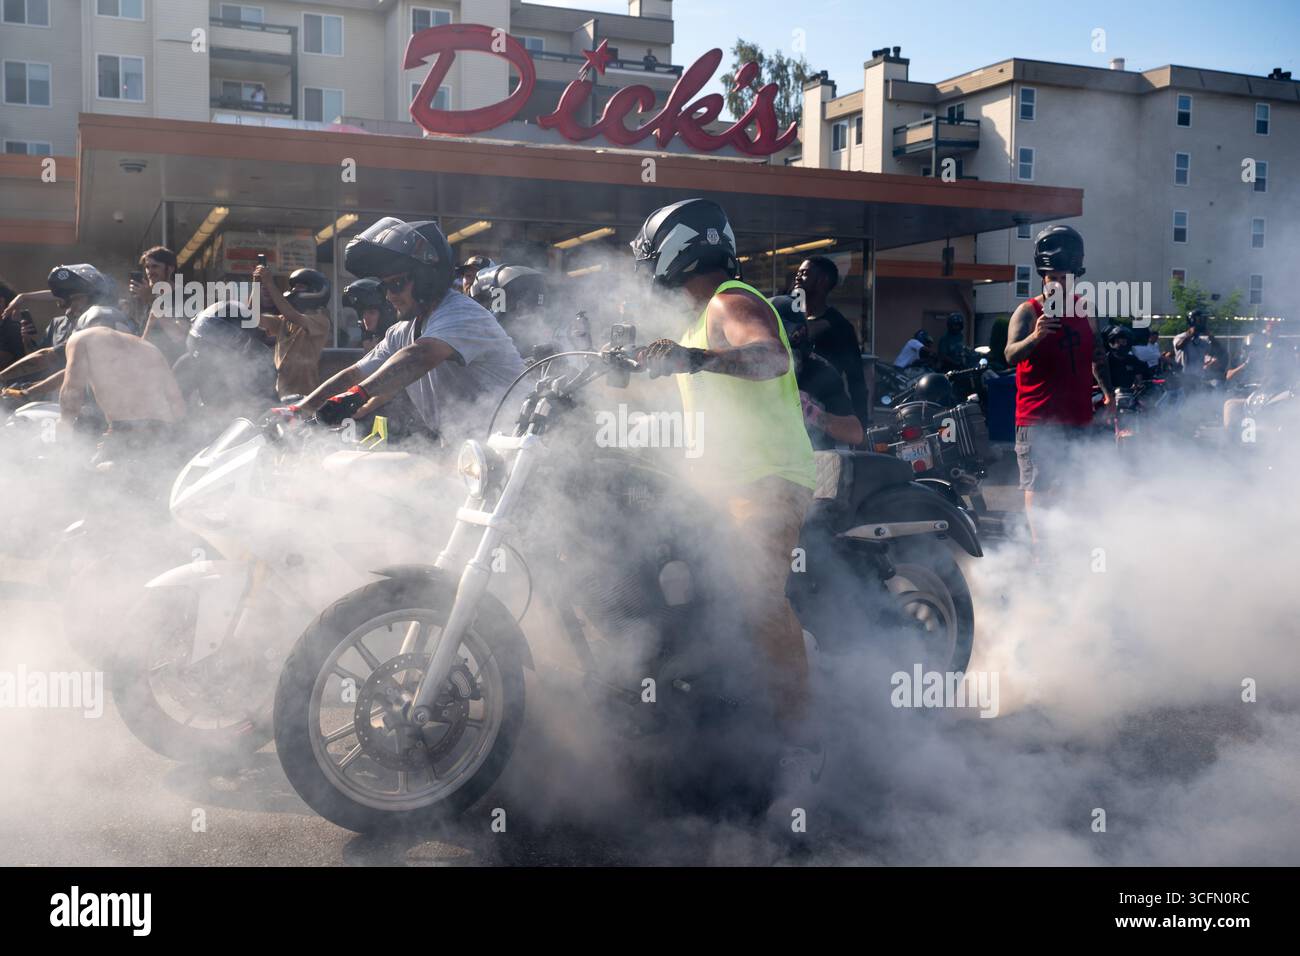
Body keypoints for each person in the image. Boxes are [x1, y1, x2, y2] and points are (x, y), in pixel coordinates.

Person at [628, 198, 821, 794]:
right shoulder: (691, 322)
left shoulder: (731, 301)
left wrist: (693, 358)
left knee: (756, 598)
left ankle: (801, 743)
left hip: (766, 480)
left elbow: (769, 356)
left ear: (678, 251)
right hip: (716, 483)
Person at [293, 218, 523, 448]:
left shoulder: (461, 313)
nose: (389, 296)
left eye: (396, 285)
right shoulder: (401, 331)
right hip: (467, 448)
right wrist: (298, 411)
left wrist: (355, 396)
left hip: (514, 443)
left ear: (425, 280)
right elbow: (354, 374)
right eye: (384, 288)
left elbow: (420, 355)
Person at [1004, 225, 1110, 552]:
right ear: (1043, 277)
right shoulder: (1027, 312)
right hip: (1038, 419)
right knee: (1041, 486)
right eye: (1055, 277)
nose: (1061, 283)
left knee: (1077, 486)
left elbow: (1097, 356)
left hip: (1078, 416)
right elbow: (1009, 355)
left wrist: (1109, 394)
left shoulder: (1086, 311)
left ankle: (1071, 549)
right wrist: (1036, 336)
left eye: (1067, 277)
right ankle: (1042, 553)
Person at [59, 326, 186, 470]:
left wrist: (64, 425)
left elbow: (72, 390)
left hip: (125, 433)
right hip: (163, 432)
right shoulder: (149, 347)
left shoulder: (81, 339)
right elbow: (177, 402)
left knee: (90, 479)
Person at [0, 264, 135, 397]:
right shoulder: (107, 315)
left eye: (74, 299)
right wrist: (28, 390)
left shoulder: (98, 317)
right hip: (105, 407)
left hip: (115, 408)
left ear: (91, 296)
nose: (68, 307)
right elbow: (71, 372)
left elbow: (45, 357)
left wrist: (2, 377)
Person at [788, 256, 871, 425]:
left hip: (822, 418)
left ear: (822, 281)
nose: (797, 278)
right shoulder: (791, 318)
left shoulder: (839, 327)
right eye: (797, 273)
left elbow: (856, 380)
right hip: (789, 413)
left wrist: (861, 426)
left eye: (804, 274)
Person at [171, 300, 279, 428]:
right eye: (207, 339)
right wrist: (197, 417)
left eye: (215, 341)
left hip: (249, 437)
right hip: (209, 439)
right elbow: (174, 409)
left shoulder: (260, 365)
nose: (207, 347)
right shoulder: (188, 364)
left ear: (242, 343)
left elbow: (271, 408)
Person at [775, 300, 863, 449]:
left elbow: (855, 433)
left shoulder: (819, 371)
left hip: (813, 463)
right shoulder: (750, 367)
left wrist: (810, 412)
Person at [249, 266, 332, 399]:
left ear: (314, 291)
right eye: (293, 287)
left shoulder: (321, 320)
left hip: (305, 397)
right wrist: (257, 285)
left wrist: (270, 283)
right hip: (281, 394)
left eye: (299, 286)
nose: (293, 291)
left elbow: (293, 315)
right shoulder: (284, 321)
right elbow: (253, 317)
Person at [468, 264, 553, 359]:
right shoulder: (486, 280)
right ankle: (545, 350)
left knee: (498, 325)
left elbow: (492, 321)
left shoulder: (476, 292)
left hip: (510, 279)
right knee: (537, 318)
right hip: (538, 278)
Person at [128, 246, 189, 364]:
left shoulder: (185, 296)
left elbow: (179, 337)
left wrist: (152, 301)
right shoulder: (147, 295)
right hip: (151, 365)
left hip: (174, 365)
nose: (150, 272)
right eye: (147, 267)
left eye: (155, 266)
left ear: (170, 269)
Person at [343, 278, 398, 351]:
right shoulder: (356, 346)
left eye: (372, 313)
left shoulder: (395, 343)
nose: (366, 317)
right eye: (363, 313)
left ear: (384, 315)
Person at [1172, 309, 1215, 390]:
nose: (1201, 322)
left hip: (1198, 377)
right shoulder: (1180, 337)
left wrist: (1210, 335)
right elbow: (1179, 346)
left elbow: (1215, 349)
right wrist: (1191, 334)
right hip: (1184, 377)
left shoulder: (1203, 341)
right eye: (1199, 320)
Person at [1104, 325, 1151, 393]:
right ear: (1112, 342)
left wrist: (1138, 385)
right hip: (1109, 397)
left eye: (1125, 342)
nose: (1123, 344)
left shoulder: (1133, 360)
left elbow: (1139, 378)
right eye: (1119, 341)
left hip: (1130, 397)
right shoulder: (1105, 361)